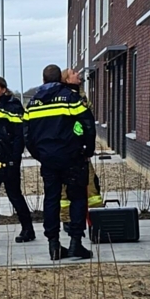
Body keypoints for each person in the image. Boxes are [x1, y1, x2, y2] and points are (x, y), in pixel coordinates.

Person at [24, 64, 97, 260]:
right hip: (73, 157)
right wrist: (87, 150)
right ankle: (75, 243)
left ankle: (53, 245)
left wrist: (40, 155)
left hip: (48, 159)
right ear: (61, 79)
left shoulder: (33, 103)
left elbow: (27, 135)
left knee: (51, 199)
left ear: (43, 80)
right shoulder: (70, 97)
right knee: (77, 198)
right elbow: (88, 124)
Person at [0, 76, 36, 244]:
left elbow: (19, 135)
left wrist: (14, 159)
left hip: (8, 157)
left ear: (3, 89)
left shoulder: (13, 106)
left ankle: (28, 229)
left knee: (14, 194)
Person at [59, 69, 103, 233]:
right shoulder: (66, 98)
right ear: (66, 79)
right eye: (73, 73)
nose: (78, 74)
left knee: (91, 187)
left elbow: (87, 122)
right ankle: (67, 220)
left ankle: (96, 218)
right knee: (66, 189)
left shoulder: (81, 96)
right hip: (68, 151)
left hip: (80, 151)